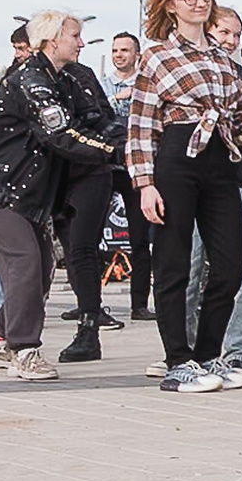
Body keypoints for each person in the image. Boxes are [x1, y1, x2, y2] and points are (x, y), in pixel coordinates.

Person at [128, 0, 242, 394]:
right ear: (171, 6)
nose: (200, 2)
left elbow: (239, 115)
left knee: (230, 263)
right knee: (173, 262)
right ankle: (177, 361)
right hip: (176, 155)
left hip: (220, 159)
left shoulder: (223, 57)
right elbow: (141, 124)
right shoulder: (156, 56)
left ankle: (208, 354)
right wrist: (145, 184)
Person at [0, 13, 119, 380]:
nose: (81, 43)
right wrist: (113, 151)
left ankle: (0, 341)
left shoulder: (64, 79)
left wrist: (129, 137)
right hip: (1, 187)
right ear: (52, 40)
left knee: (41, 269)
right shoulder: (31, 80)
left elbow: (95, 119)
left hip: (30, 191)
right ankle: (24, 349)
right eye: (75, 36)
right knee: (25, 264)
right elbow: (61, 133)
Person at [178, 5, 242, 385]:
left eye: (236, 35)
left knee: (234, 272)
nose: (230, 41)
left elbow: (240, 120)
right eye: (224, 32)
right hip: (189, 181)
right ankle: (185, 351)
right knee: (187, 268)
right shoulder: (181, 68)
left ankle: (236, 352)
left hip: (234, 181)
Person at [48, 44, 126, 362]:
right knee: (46, 253)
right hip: (49, 176)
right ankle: (7, 328)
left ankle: (89, 328)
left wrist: (112, 146)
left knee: (82, 249)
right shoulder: (25, 77)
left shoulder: (81, 75)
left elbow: (104, 118)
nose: (80, 44)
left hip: (90, 171)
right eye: (74, 36)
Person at [100, 30, 156, 320]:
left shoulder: (146, 84)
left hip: (136, 167)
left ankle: (139, 304)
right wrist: (115, 98)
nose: (119, 55)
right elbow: (94, 113)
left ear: (137, 54)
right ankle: (90, 304)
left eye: (124, 50)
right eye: (115, 50)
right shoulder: (102, 85)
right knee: (90, 235)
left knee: (140, 239)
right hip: (106, 165)